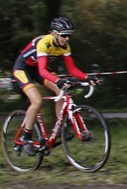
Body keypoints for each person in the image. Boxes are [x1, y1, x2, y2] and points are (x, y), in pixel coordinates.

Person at [12, 17, 95, 154]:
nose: (67, 38)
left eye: (69, 35)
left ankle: (60, 127)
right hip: (22, 69)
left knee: (62, 90)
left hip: (38, 69)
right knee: (37, 101)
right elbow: (43, 71)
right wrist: (57, 80)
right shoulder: (44, 43)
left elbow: (72, 69)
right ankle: (26, 138)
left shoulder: (65, 46)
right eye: (64, 35)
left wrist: (87, 77)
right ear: (54, 34)